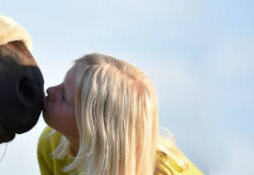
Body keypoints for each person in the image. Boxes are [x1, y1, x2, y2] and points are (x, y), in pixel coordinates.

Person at [38, 53, 203, 175]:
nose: (50, 90)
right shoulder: (53, 144)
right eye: (61, 83)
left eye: (65, 96)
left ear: (94, 126)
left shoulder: (166, 172)